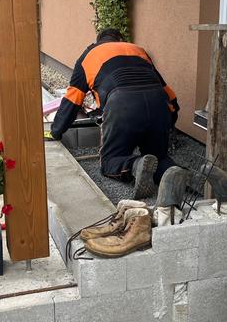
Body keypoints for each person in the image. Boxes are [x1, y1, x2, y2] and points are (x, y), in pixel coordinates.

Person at [50, 29, 180, 199]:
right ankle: (172, 172)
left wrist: (56, 131)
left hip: (122, 104)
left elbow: (73, 99)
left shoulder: (88, 56)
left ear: (98, 41)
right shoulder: (137, 49)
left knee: (110, 161)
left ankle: (135, 165)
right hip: (158, 102)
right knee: (159, 157)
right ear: (120, 39)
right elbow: (168, 92)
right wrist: (169, 123)